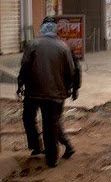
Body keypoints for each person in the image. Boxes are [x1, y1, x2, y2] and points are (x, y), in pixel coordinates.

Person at [18, 16, 75, 168]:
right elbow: (71, 71)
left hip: (33, 92)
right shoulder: (63, 47)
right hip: (55, 94)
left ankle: (36, 146)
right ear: (55, 29)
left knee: (28, 118)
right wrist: (69, 88)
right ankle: (52, 158)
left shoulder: (33, 44)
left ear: (42, 28)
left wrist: (20, 84)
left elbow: (24, 66)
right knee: (50, 125)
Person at [57, 46, 82, 158]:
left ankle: (66, 145)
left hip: (53, 92)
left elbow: (76, 68)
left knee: (52, 121)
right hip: (59, 92)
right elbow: (76, 67)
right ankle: (61, 146)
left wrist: (75, 89)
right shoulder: (63, 47)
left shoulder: (62, 48)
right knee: (53, 120)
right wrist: (75, 89)